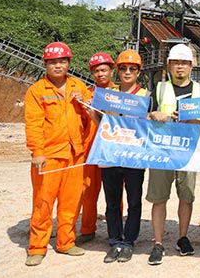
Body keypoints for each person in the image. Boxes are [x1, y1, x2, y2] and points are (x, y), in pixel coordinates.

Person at [24, 42, 93, 266]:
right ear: (46, 64)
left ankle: (66, 242)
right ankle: (37, 247)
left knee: (71, 202)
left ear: (68, 63)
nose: (58, 66)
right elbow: (33, 124)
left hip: (75, 154)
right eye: (53, 62)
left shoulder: (78, 86)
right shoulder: (37, 91)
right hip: (49, 156)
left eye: (62, 61)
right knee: (43, 202)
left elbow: (90, 118)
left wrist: (83, 104)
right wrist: (37, 152)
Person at [146, 43, 200, 265]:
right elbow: (146, 115)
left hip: (188, 151)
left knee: (186, 196)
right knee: (159, 198)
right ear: (169, 65)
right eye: (176, 63)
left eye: (184, 63)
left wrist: (195, 119)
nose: (180, 66)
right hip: (162, 151)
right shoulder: (159, 88)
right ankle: (158, 243)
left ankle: (183, 237)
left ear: (191, 65)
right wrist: (154, 114)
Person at [100, 49, 148, 263]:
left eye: (132, 68)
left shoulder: (145, 96)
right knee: (112, 202)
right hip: (110, 155)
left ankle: (128, 242)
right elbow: (99, 122)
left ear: (138, 72)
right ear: (117, 71)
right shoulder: (108, 94)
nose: (127, 72)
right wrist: (92, 112)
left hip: (134, 156)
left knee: (134, 201)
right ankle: (114, 241)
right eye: (123, 68)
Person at [77, 52, 117, 245]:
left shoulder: (120, 94)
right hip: (91, 150)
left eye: (103, 70)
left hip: (112, 150)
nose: (100, 74)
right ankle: (87, 229)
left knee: (114, 194)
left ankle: (114, 230)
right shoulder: (87, 94)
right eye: (96, 71)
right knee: (88, 192)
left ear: (111, 71)